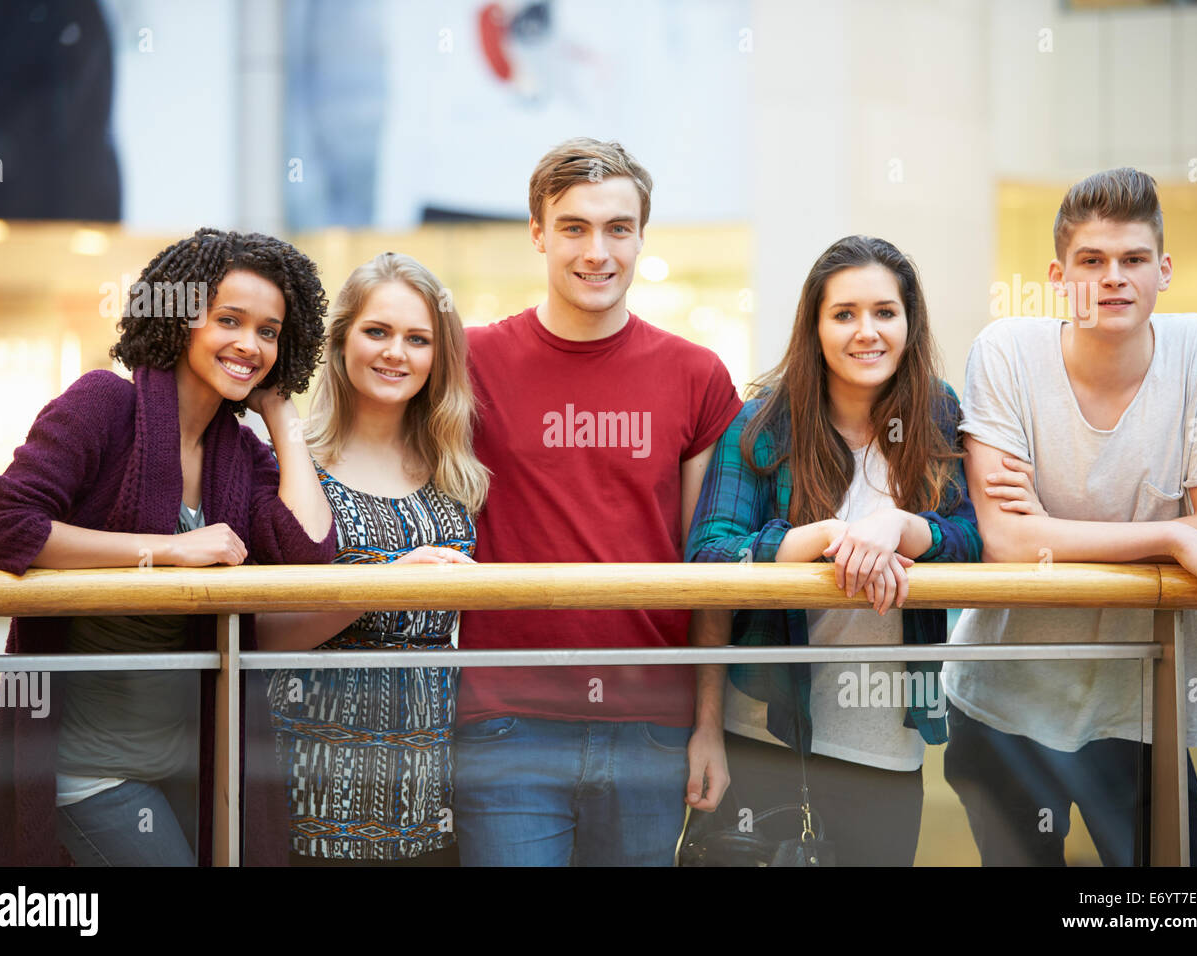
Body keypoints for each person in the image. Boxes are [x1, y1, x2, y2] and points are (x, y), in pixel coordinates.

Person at [0, 228, 336, 866]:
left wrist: (281, 419)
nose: (250, 344)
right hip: (91, 776)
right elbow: (7, 528)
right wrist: (165, 550)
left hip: (190, 767)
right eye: (230, 320)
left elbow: (308, 554)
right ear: (180, 319)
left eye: (270, 331)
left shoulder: (238, 450)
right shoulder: (103, 405)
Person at [942, 167, 1197, 866]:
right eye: (1092, 261)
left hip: (1142, 704)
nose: (1114, 278)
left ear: (1163, 270)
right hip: (1005, 704)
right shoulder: (1007, 353)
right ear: (1059, 275)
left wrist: (1055, 530)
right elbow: (1010, 543)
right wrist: (1174, 533)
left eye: (1134, 259)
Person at [452, 137, 743, 866]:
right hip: (506, 722)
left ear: (642, 237)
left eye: (618, 228)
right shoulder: (469, 362)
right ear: (539, 234)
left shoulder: (696, 376)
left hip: (650, 724)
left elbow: (707, 569)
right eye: (575, 227)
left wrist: (709, 724)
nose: (597, 251)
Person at [684, 235, 981, 865]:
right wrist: (817, 540)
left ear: (910, 322)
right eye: (843, 314)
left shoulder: (937, 413)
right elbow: (709, 560)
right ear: (814, 327)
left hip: (886, 747)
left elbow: (974, 541)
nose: (865, 332)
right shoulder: (764, 421)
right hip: (765, 733)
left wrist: (902, 526)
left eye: (884, 312)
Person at [260, 253, 487, 866]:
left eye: (418, 339)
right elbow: (260, 635)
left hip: (432, 774)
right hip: (314, 769)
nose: (397, 353)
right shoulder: (288, 461)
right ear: (341, 342)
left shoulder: (458, 472)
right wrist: (384, 584)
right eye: (378, 331)